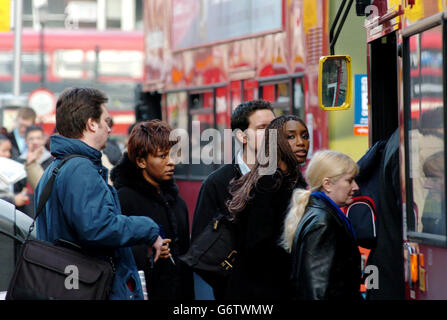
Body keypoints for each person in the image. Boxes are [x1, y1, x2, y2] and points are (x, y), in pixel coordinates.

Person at [35, 87, 164, 300]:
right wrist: (148, 228)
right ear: (91, 124)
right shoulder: (81, 169)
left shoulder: (56, 167)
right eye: (106, 121)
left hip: (69, 286)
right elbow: (97, 228)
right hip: (89, 287)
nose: (109, 128)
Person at [190, 100, 275, 298]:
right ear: (242, 136)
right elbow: (201, 250)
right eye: (263, 128)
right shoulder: (216, 184)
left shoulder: (288, 180)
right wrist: (232, 285)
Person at [222, 115, 309, 300]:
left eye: (305, 135)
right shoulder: (269, 182)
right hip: (262, 289)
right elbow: (259, 245)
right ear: (276, 141)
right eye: (291, 137)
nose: (301, 143)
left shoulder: (292, 180)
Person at [111, 120, 195, 300]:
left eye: (173, 154)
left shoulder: (177, 202)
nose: (171, 162)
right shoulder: (123, 199)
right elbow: (115, 253)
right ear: (141, 161)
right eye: (163, 156)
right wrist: (147, 252)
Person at [281, 150, 362, 300]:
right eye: (350, 180)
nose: (355, 187)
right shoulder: (323, 222)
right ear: (327, 184)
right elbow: (317, 289)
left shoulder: (319, 214)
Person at [0, 134, 29, 207]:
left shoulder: (11, 168)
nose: (8, 154)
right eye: (4, 150)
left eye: (9, 150)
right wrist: (12, 200)